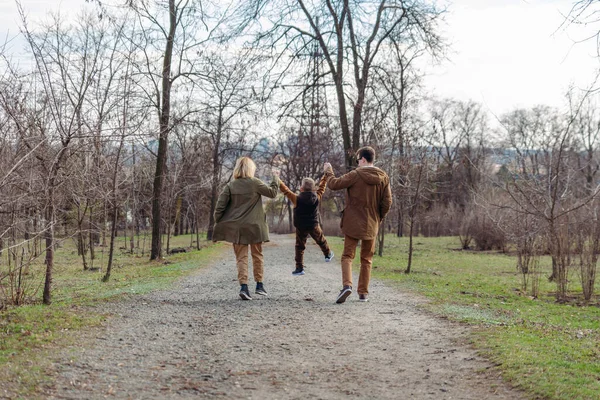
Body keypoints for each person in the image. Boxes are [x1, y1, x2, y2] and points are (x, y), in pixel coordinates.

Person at [324, 146, 392, 303]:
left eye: (357, 160)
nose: (357, 163)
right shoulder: (384, 177)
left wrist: (328, 171)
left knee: (348, 256)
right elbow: (387, 201)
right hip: (372, 223)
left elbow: (334, 184)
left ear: (362, 159)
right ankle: (363, 293)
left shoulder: (356, 174)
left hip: (352, 222)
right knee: (367, 259)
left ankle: (347, 286)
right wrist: (378, 217)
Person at [212, 157, 279, 300]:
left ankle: (244, 287)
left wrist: (219, 222)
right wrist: (275, 178)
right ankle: (259, 285)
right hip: (255, 227)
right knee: (257, 255)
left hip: (237, 228)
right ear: (251, 168)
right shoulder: (255, 183)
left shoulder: (231, 185)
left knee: (241, 258)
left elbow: (219, 207)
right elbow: (272, 193)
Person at [279, 175, 334, 276]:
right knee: (321, 240)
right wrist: (325, 176)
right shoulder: (317, 196)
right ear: (313, 188)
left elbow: (286, 190)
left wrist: (278, 179)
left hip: (301, 226)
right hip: (313, 225)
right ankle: (327, 254)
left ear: (301, 188)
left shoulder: (296, 198)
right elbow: (322, 187)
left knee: (299, 247)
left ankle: (299, 268)